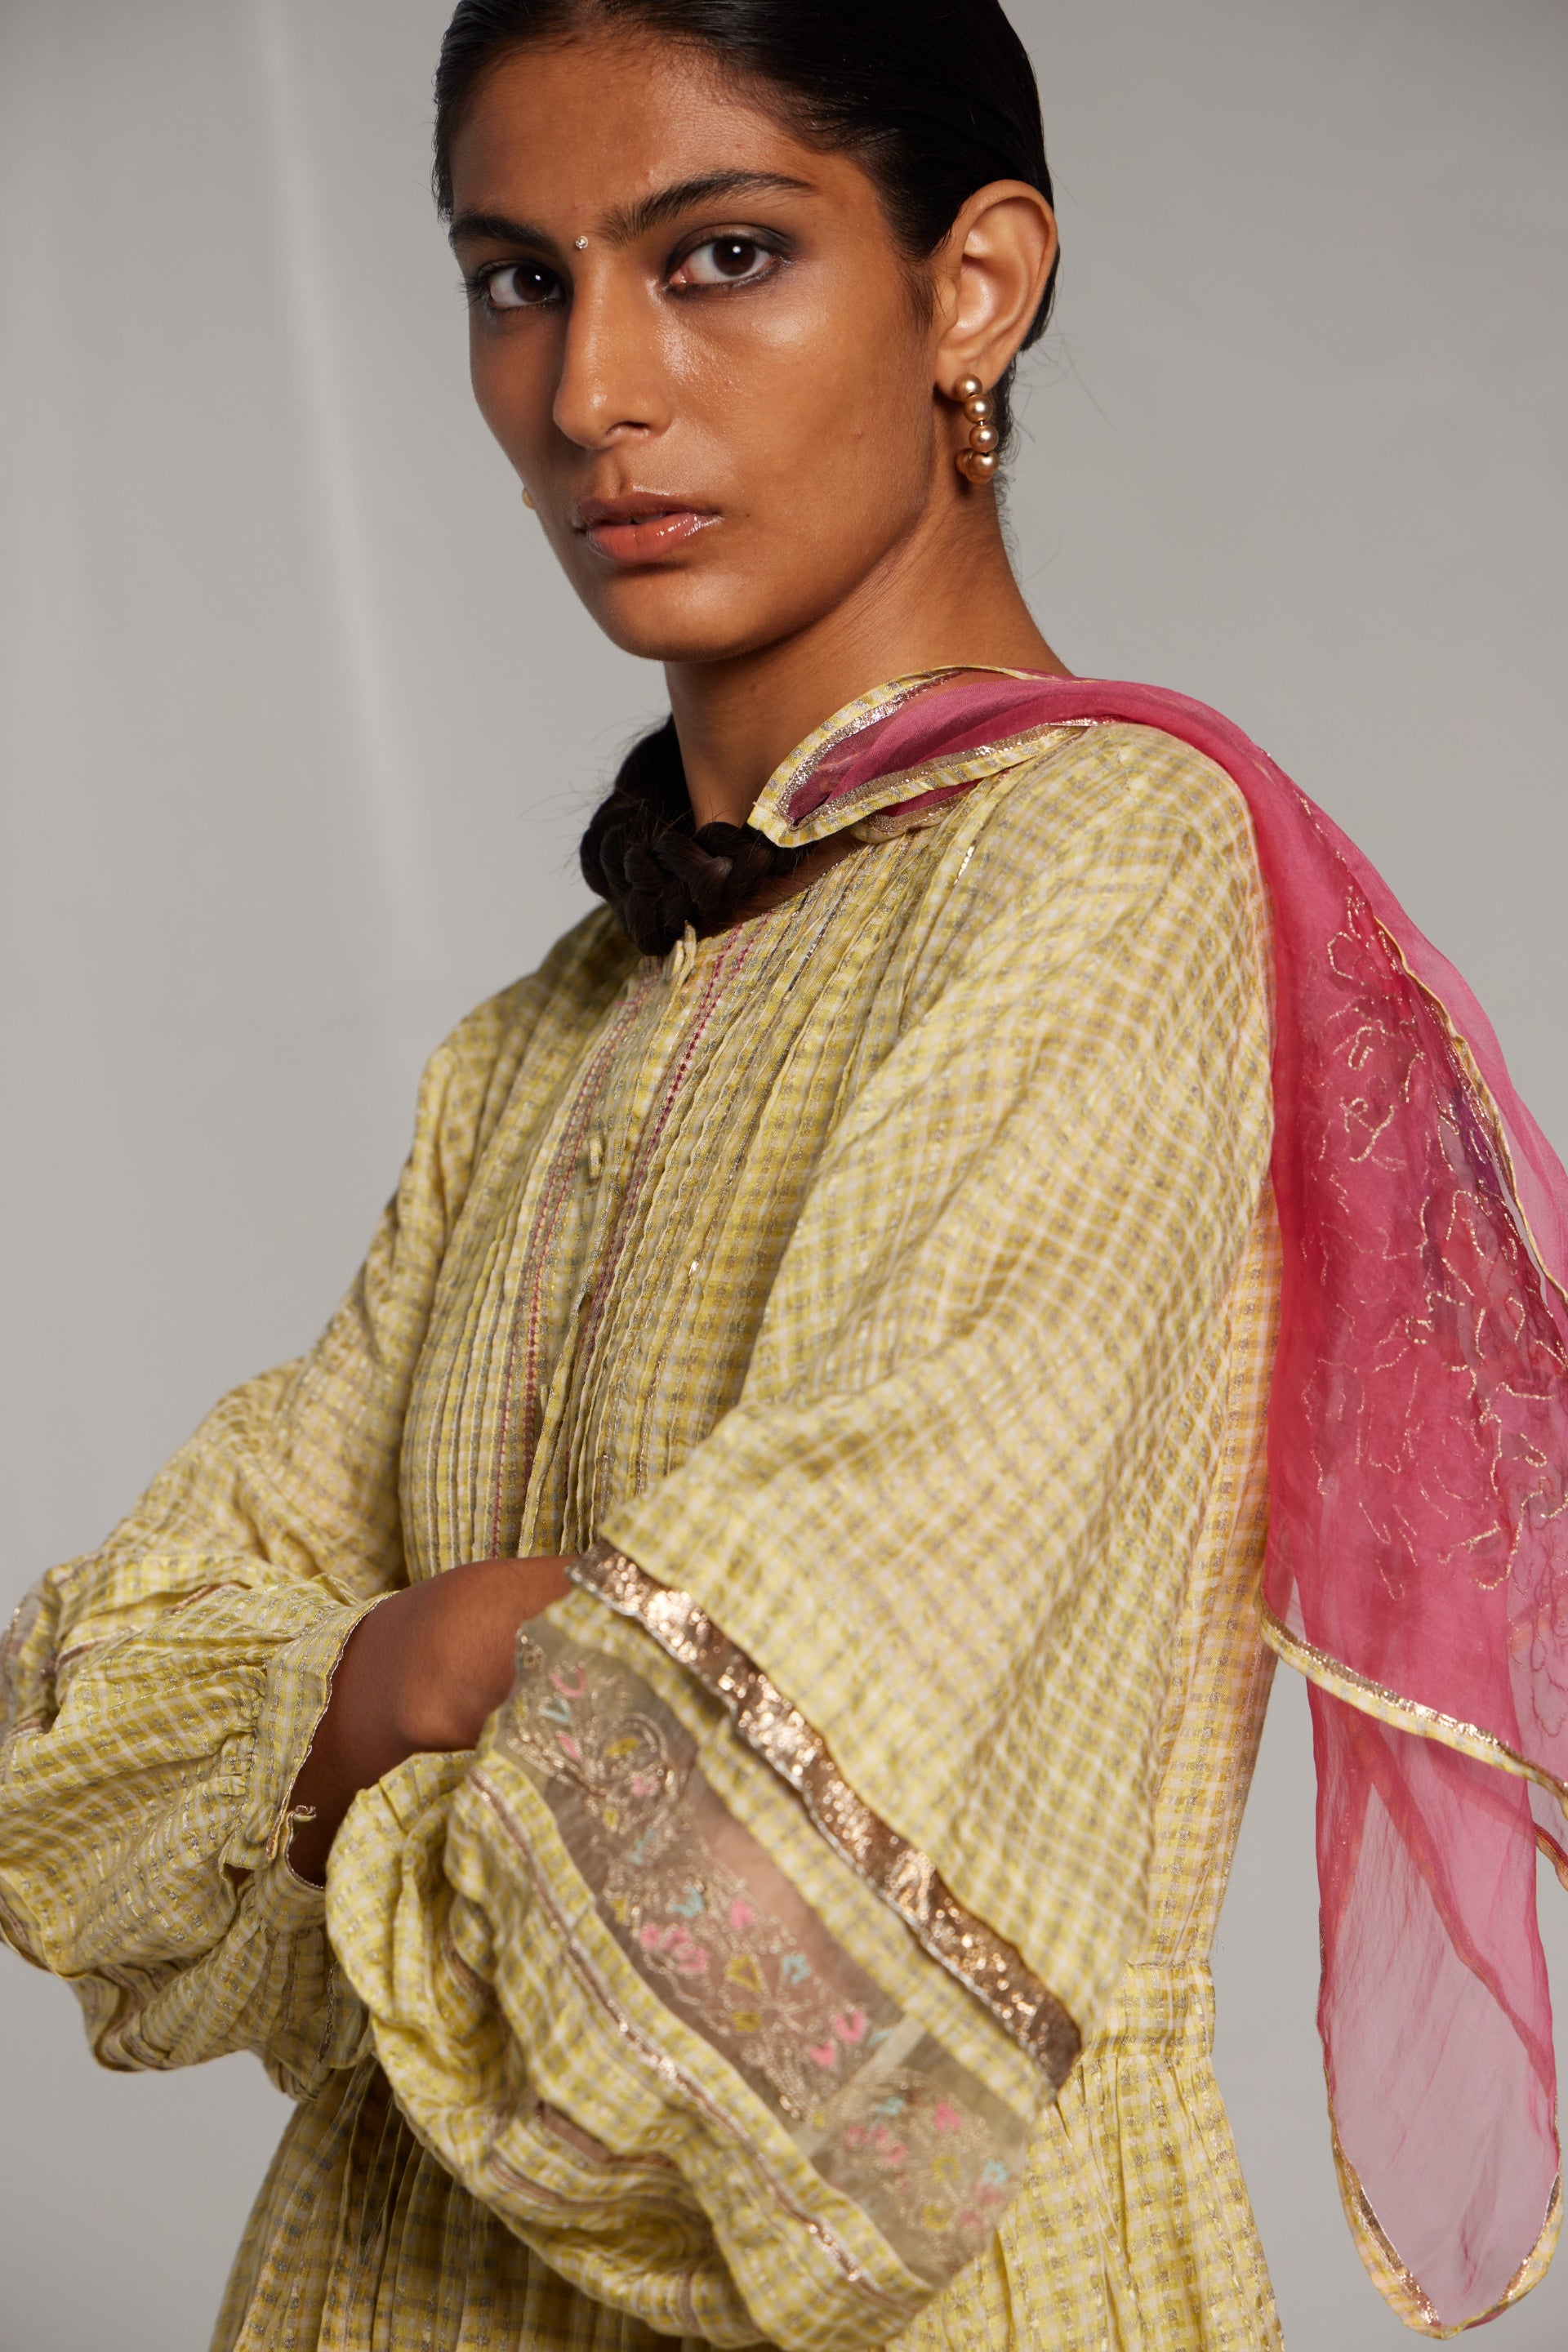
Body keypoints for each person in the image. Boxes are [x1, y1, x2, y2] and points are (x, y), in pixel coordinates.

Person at [4, 2, 1568, 2345]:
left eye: (719, 256)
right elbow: (83, 1750)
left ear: (974, 286)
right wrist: (461, 1656)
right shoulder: (554, 1026)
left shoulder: (1112, 880)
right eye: (518, 280)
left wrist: (370, 1699)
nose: (591, 390)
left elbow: (737, 1879)